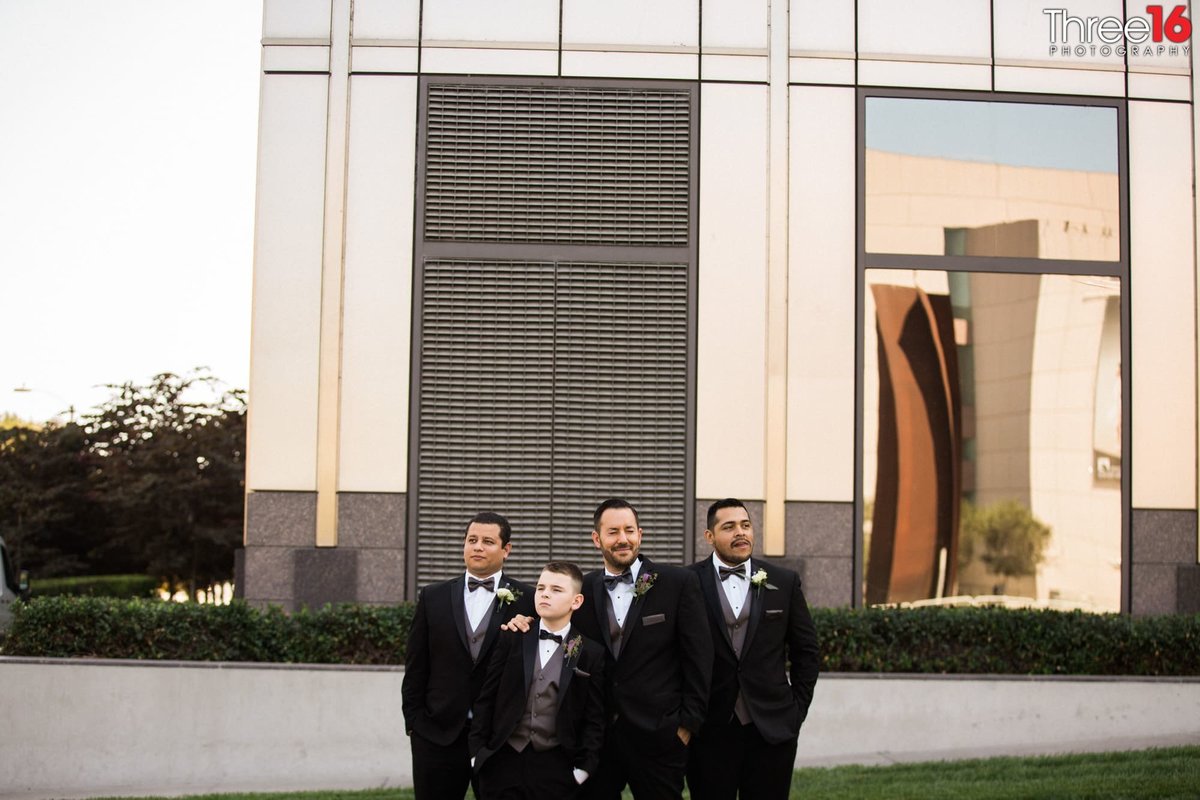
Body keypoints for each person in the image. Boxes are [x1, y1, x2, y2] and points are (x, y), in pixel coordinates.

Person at [572, 498, 713, 800]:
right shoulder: (580, 591)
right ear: (597, 539)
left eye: (629, 530)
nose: (623, 539)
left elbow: (699, 656)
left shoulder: (676, 583)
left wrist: (687, 725)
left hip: (660, 737)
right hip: (598, 738)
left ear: (640, 534)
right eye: (613, 532)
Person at [685, 498, 820, 800]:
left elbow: (807, 651)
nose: (740, 533)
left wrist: (795, 711)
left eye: (745, 525)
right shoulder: (686, 582)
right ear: (709, 536)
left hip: (772, 728)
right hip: (708, 728)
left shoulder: (784, 582)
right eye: (729, 527)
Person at [402, 511, 536, 799]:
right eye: (472, 540)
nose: (477, 546)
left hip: (499, 737)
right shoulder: (433, 596)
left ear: (506, 550)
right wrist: (414, 722)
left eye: (488, 541)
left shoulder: (528, 599)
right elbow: (416, 665)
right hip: (437, 734)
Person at [469, 561, 606, 799]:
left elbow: (594, 718)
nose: (545, 594)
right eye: (541, 587)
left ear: (577, 601)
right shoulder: (513, 637)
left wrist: (582, 770)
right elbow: (486, 698)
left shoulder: (588, 652)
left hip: (557, 766)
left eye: (556, 589)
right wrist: (477, 754)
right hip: (503, 761)